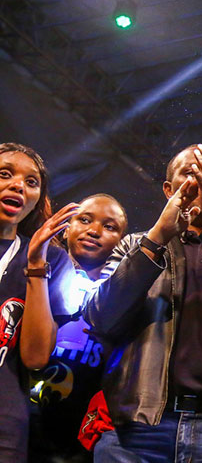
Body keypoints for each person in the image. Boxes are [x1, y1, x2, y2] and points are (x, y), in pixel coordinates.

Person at [84, 144, 202, 462]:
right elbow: (100, 317)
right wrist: (158, 236)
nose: (199, 179)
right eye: (189, 172)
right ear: (168, 190)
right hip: (139, 428)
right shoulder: (135, 244)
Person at [28, 194, 129, 462]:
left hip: (81, 434)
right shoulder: (34, 276)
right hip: (22, 418)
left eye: (110, 227)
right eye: (84, 220)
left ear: (123, 241)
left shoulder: (125, 299)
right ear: (67, 226)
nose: (94, 231)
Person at [0, 142, 76, 461]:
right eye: (5, 174)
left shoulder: (52, 260)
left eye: (32, 182)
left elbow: (35, 357)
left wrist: (35, 265)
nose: (19, 185)